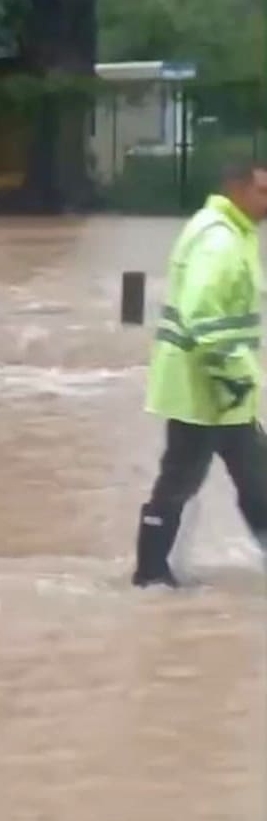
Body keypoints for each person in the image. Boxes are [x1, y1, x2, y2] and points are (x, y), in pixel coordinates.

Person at [133, 158, 267, 587]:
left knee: (257, 477)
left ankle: (153, 574)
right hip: (205, 390)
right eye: (263, 191)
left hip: (225, 391)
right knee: (179, 481)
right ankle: (150, 575)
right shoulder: (220, 242)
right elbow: (202, 316)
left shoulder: (226, 229)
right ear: (237, 189)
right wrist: (228, 374)